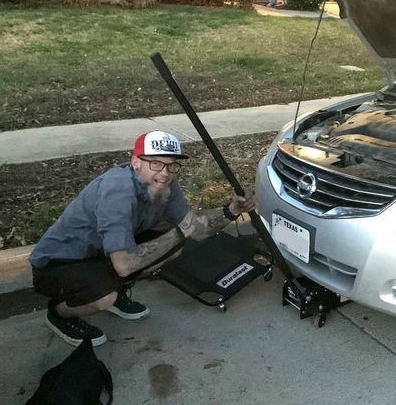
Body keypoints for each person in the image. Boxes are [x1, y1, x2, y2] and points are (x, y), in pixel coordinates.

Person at [29, 131, 255, 347]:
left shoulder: (165, 184)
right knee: (105, 297)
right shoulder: (118, 190)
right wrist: (179, 233)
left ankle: (116, 291)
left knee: (172, 248)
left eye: (171, 165)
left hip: (102, 252)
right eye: (155, 163)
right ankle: (59, 313)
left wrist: (231, 211)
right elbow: (124, 265)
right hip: (59, 263)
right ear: (136, 162)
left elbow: (195, 229)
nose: (165, 172)